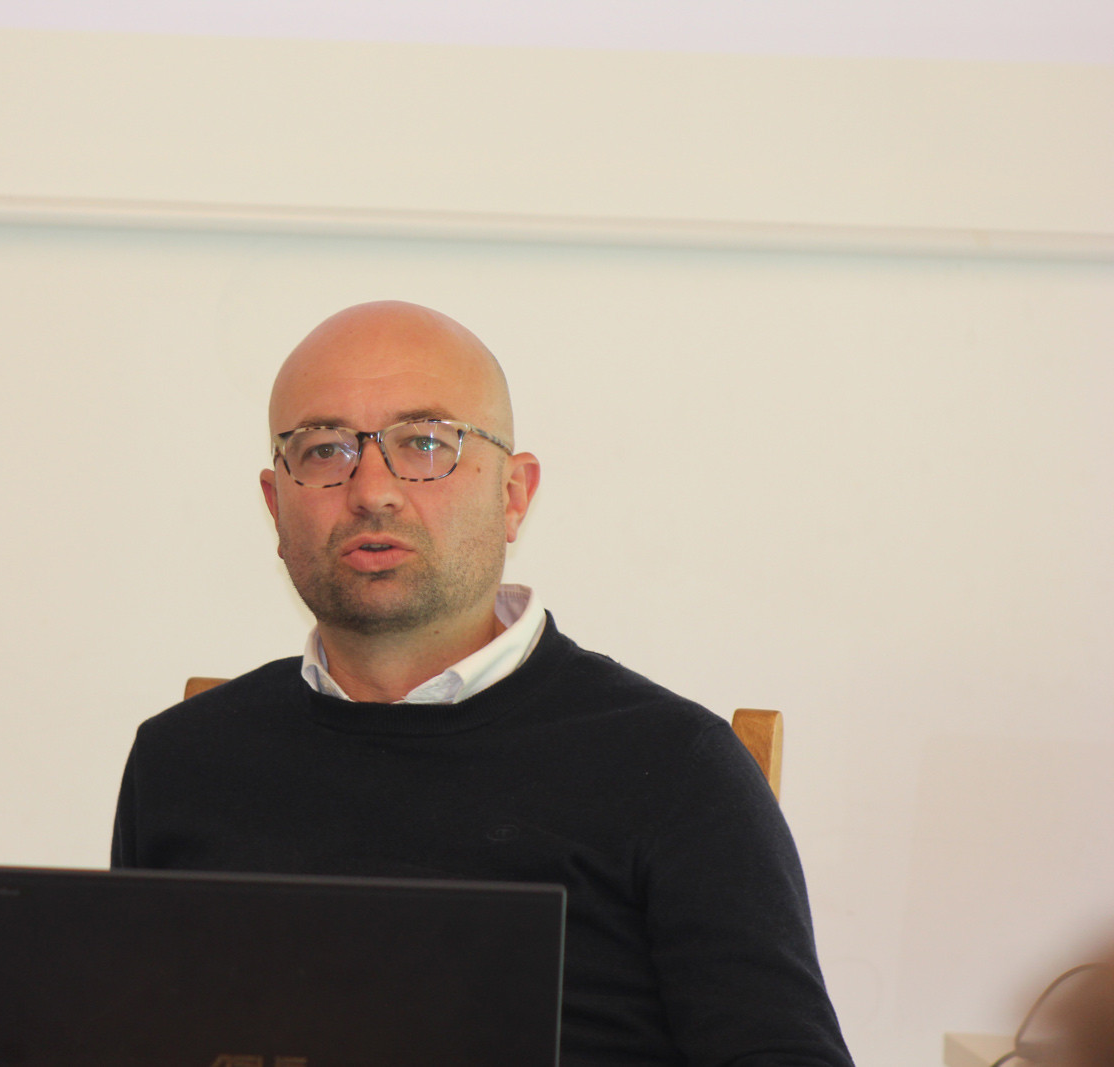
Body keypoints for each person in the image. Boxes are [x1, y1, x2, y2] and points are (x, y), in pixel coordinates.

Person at [112, 300, 853, 1067]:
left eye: (426, 442)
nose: (372, 489)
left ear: (513, 494)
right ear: (275, 505)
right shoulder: (183, 761)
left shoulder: (674, 768)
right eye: (325, 449)